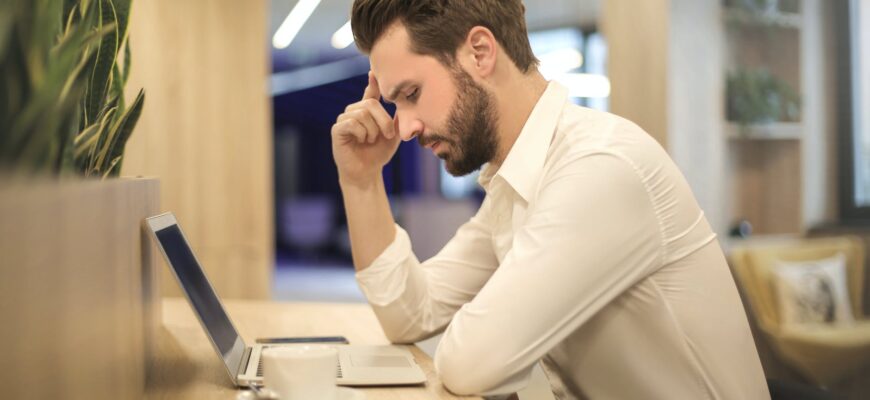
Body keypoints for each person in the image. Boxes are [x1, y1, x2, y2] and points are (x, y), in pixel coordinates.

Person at [330, 1, 769, 398]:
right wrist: (362, 180)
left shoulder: (600, 167)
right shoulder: (515, 182)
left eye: (411, 95)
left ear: (480, 52)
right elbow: (411, 315)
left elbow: (472, 363)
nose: (404, 128)